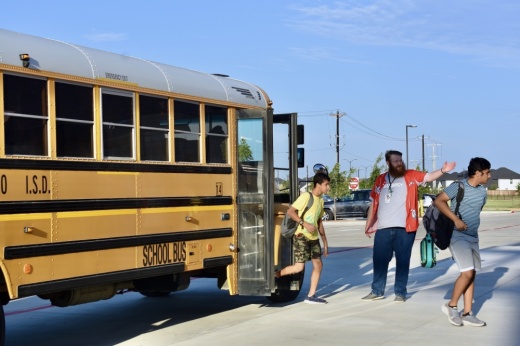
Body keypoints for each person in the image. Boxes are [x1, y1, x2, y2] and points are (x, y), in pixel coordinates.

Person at [362, 150, 456, 303]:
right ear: (388, 163)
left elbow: (428, 176)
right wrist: (368, 224)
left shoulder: (410, 175)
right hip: (383, 228)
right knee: (379, 260)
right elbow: (374, 202)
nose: (399, 163)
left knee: (403, 260)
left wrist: (442, 170)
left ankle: (400, 292)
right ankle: (377, 291)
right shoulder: (380, 180)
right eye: (395, 161)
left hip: (405, 228)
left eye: (400, 160)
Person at [437, 157, 491, 327]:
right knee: (467, 272)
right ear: (478, 173)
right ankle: (451, 306)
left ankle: (467, 313)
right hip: (457, 236)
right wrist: (456, 220)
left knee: (471, 274)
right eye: (487, 172)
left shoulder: (483, 192)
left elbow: (476, 211)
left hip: (473, 237)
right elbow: (439, 201)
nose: (489, 176)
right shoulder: (458, 186)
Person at [275, 172, 330, 304]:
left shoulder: (321, 201)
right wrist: (303, 223)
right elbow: (290, 211)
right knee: (299, 267)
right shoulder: (306, 196)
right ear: (318, 185)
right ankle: (274, 275)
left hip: (313, 237)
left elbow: (319, 222)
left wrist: (325, 243)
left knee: (318, 265)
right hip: (301, 236)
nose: (328, 188)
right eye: (326, 185)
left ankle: (311, 295)